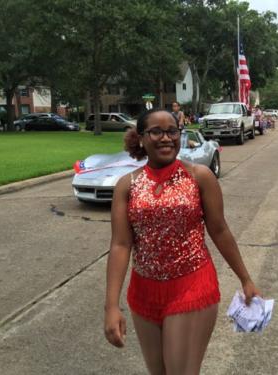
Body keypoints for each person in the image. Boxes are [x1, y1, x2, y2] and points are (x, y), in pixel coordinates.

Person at [104, 109, 261, 374]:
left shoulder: (199, 176)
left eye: (172, 131)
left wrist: (245, 278)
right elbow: (120, 244)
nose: (166, 138)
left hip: (191, 284)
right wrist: (111, 306)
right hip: (142, 292)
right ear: (141, 138)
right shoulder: (126, 185)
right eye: (156, 131)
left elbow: (220, 230)